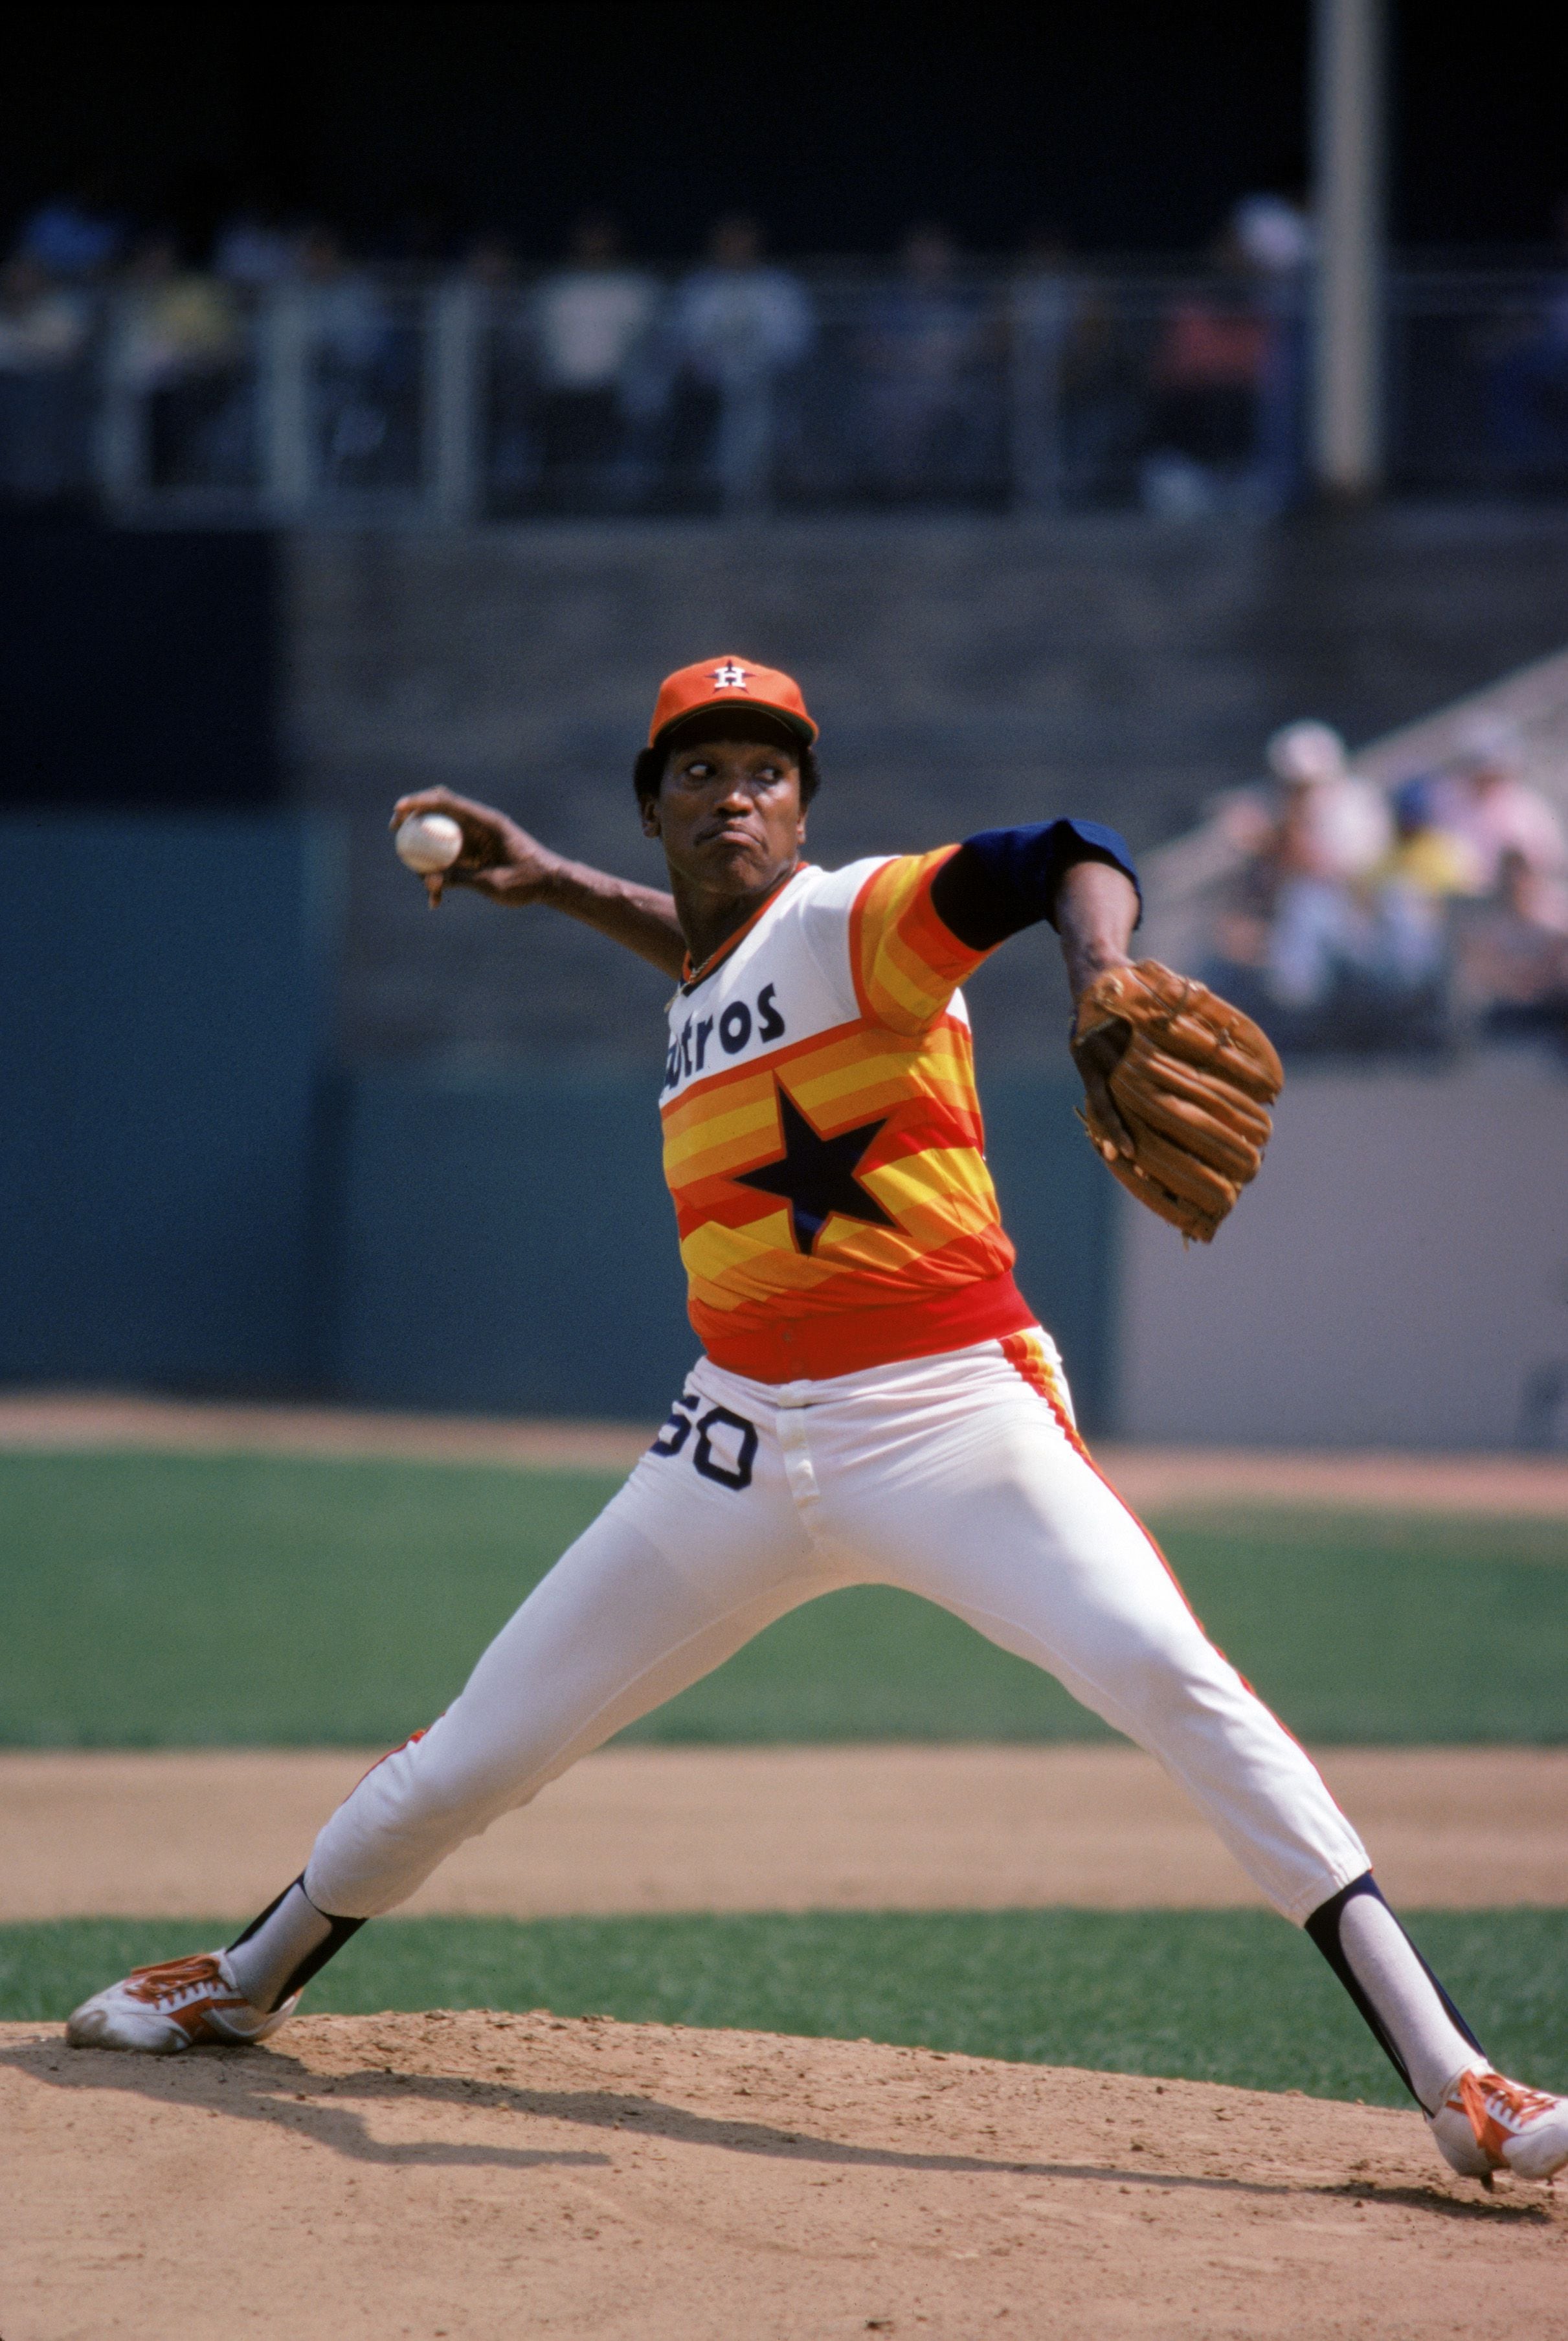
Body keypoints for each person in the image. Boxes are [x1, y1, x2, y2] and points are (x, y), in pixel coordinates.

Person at [67, 656, 1568, 2189]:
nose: (736, 792)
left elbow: (1062, 847)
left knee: (1179, 1684)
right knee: (472, 1753)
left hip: (945, 1416)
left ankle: (1461, 2083)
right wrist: (553, 881)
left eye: (767, 769)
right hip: (722, 1443)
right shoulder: (715, 967)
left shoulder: (863, 918)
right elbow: (708, 958)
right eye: (701, 768)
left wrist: (1100, 974)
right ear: (656, 802)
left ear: (805, 804)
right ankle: (244, 1978)